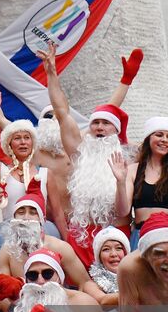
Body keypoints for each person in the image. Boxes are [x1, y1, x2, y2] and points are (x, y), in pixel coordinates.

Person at [38, 44, 136, 267]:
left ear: (117, 130)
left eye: (106, 124)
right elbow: (62, 112)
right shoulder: (80, 153)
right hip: (81, 236)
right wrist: (51, 74)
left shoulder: (129, 158)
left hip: (115, 236)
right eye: (95, 123)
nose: (99, 128)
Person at [0, 87, 62, 268]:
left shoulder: (45, 174)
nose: (23, 142)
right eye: (17, 138)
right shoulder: (1, 172)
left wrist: (66, 241)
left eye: (27, 137)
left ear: (33, 143)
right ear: (9, 144)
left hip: (42, 232)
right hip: (7, 232)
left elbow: (57, 212)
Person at [0, 192, 104, 298]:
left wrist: (81, 304)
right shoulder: (7, 251)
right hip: (23, 310)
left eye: (33, 213)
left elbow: (84, 282)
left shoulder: (60, 247)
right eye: (21, 212)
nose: (26, 218)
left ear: (41, 220)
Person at [111, 115, 168, 240]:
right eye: (159, 135)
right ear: (148, 138)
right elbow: (122, 211)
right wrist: (120, 182)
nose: (164, 140)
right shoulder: (133, 170)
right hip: (142, 235)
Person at [87, 226, 130, 306]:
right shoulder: (90, 284)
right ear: (99, 256)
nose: (113, 254)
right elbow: (103, 301)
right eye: (106, 249)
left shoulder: (138, 277)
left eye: (119, 248)